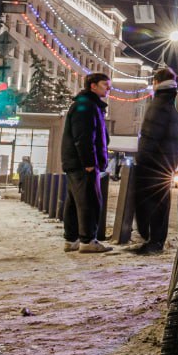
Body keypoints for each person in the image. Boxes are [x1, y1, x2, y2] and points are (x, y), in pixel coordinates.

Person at [129, 67, 178, 255]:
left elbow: (151, 133)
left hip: (153, 159)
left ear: (155, 82)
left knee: (150, 200)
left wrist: (142, 157)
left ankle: (153, 241)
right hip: (167, 159)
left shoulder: (160, 101)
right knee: (160, 200)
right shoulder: (176, 100)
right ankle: (154, 239)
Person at [61, 73, 113, 254]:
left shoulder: (87, 105)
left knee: (75, 201)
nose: (108, 88)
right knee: (89, 201)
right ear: (93, 85)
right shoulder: (87, 106)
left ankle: (72, 239)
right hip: (83, 164)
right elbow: (83, 136)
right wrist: (90, 162)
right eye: (105, 84)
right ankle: (87, 240)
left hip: (75, 162)